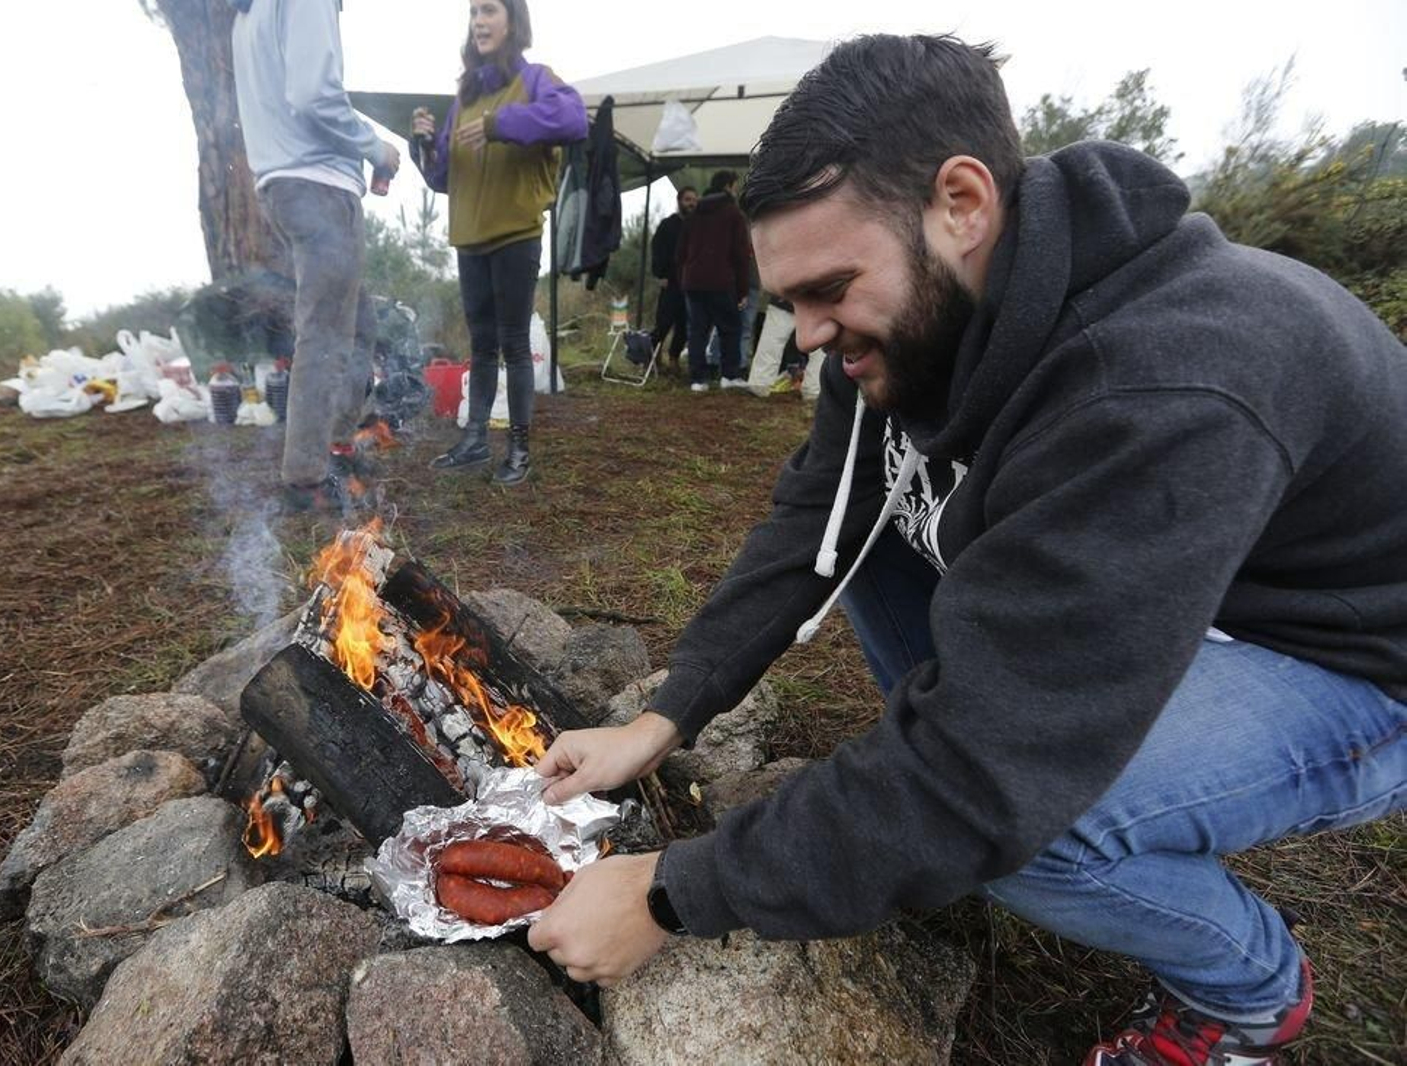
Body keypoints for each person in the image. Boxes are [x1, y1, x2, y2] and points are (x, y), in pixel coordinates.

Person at [526, 34, 1407, 1066]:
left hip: (1352, 660)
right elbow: (819, 515)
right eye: (790, 303)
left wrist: (672, 892)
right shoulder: (917, 316)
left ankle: (1250, 988)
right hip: (1180, 586)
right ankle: (934, 773)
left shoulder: (1167, 382)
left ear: (961, 202)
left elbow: (997, 775)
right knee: (875, 548)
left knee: (1031, 819)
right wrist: (664, 714)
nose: (808, 335)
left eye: (829, 289)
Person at [227, 0, 400, 512]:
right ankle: (306, 479)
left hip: (287, 183)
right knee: (325, 332)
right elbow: (313, 95)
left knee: (359, 326)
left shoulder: (248, 11)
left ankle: (336, 448)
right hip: (318, 186)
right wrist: (374, 147)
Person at [410, 0, 586, 486]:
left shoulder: (534, 80)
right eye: (473, 13)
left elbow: (574, 120)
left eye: (488, 10)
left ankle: (519, 450)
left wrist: (500, 124)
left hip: (515, 233)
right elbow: (444, 176)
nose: (479, 21)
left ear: (512, 21)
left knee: (512, 344)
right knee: (481, 345)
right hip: (469, 236)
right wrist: (422, 145)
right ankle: (474, 440)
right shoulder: (463, 95)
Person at [676, 170, 753, 392]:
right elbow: (740, 255)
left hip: (693, 282)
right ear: (728, 187)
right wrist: (742, 290)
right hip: (721, 281)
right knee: (730, 328)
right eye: (735, 186)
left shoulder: (694, 214)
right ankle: (729, 375)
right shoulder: (733, 214)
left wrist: (685, 279)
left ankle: (697, 380)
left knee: (697, 331)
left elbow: (680, 253)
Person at [650, 186, 699, 371]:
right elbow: (657, 250)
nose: (691, 203)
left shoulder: (698, 226)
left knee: (685, 324)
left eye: (694, 200)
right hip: (670, 282)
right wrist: (660, 274)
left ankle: (674, 359)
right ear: (679, 201)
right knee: (663, 323)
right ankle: (653, 359)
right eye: (688, 199)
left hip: (691, 283)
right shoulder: (667, 225)